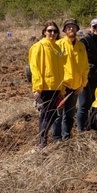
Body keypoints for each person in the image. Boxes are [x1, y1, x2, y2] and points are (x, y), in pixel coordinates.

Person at [29, 21, 66, 149]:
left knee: (53, 114)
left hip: (56, 87)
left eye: (55, 31)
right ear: (44, 32)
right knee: (45, 115)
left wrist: (62, 89)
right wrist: (37, 88)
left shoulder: (57, 48)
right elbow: (35, 68)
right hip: (45, 87)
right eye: (49, 30)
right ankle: (41, 142)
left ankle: (43, 140)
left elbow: (61, 70)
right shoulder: (38, 46)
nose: (52, 33)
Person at [54, 19, 87, 142]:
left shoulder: (81, 46)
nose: (71, 29)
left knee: (69, 114)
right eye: (68, 27)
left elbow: (84, 66)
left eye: (73, 27)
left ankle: (66, 137)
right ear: (64, 30)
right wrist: (59, 85)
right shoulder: (59, 45)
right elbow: (55, 67)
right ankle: (57, 138)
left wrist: (83, 83)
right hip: (62, 86)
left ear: (77, 30)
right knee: (58, 114)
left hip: (76, 86)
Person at [77, 18, 97, 132]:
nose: (96, 29)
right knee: (84, 104)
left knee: (96, 103)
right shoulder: (84, 41)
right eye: (94, 26)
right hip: (87, 75)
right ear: (90, 27)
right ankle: (81, 130)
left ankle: (91, 125)